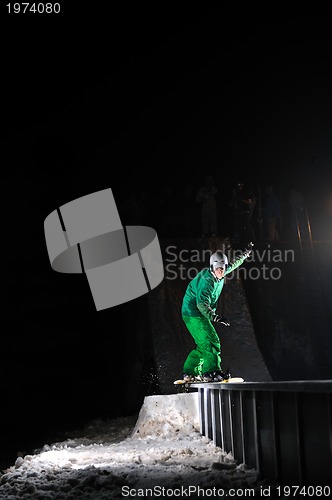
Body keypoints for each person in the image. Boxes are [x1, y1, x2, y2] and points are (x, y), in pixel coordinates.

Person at [181, 243, 253, 382]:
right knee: (211, 341)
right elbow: (201, 304)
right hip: (194, 313)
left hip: (195, 313)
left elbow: (234, 263)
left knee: (203, 345)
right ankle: (211, 372)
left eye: (223, 268)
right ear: (212, 268)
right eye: (218, 268)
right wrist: (216, 318)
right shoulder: (207, 281)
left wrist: (245, 254)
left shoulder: (223, 269)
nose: (221, 271)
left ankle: (190, 372)